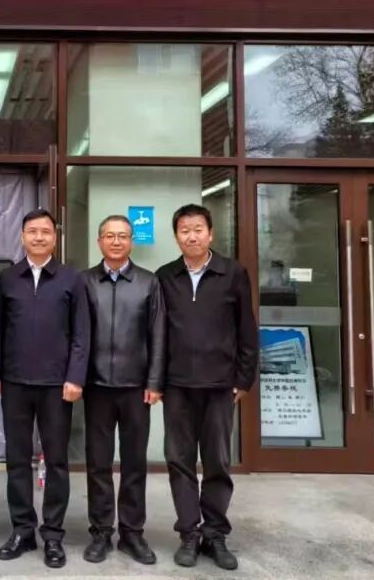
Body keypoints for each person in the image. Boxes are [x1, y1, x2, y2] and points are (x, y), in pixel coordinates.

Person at [156, 204, 258, 571]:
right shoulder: (165, 276)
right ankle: (189, 533)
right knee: (179, 461)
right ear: (176, 236)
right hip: (177, 385)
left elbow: (246, 329)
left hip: (220, 385)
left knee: (217, 461)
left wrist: (243, 378)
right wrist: (157, 380)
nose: (192, 236)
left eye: (198, 229)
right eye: (184, 230)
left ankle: (215, 533)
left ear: (210, 233)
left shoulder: (232, 273)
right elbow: (158, 333)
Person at [0, 209, 89, 569]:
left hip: (56, 385)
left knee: (57, 461)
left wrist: (75, 377)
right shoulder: (7, 278)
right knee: (17, 460)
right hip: (15, 382)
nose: (38, 237)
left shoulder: (71, 279)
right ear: (22, 237)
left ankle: (53, 535)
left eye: (45, 231)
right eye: (32, 231)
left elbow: (81, 334)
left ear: (55, 237)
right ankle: (22, 530)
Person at [80, 215, 165, 566]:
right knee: (98, 463)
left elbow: (158, 335)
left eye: (123, 236)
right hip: (96, 386)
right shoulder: (85, 281)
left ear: (131, 241)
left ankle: (132, 532)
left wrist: (155, 381)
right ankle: (101, 531)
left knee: (134, 463)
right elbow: (76, 335)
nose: (116, 242)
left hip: (136, 388)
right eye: (110, 236)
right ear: (99, 241)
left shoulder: (148, 282)